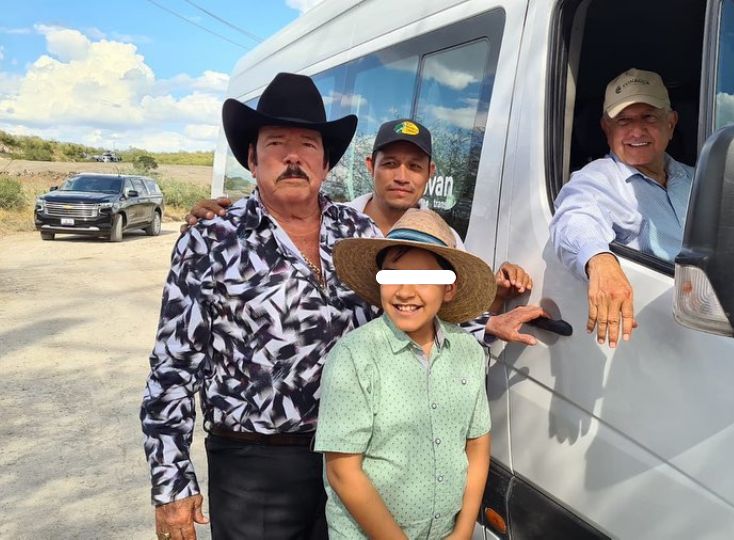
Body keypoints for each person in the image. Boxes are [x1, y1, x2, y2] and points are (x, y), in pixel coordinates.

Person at [140, 72, 379, 540]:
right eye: (276, 143)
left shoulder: (362, 236)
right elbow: (172, 367)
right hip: (253, 471)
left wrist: (488, 317)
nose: (293, 156)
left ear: (326, 162)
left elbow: (413, 312)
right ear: (252, 158)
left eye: (308, 144)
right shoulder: (210, 239)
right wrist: (171, 483)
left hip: (357, 458)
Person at [188, 118, 547, 345]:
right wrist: (231, 214)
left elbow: (438, 314)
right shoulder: (338, 230)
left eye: (414, 166)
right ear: (370, 166)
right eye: (389, 164)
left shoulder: (445, 240)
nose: (401, 176)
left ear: (430, 173)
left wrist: (492, 314)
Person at [316, 207, 493, 539]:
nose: (405, 292)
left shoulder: (467, 350)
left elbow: (478, 443)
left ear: (449, 288)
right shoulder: (355, 356)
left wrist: (464, 529)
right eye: (393, 275)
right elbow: (343, 471)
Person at [549, 68, 695, 349]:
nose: (637, 131)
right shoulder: (596, 178)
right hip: (656, 336)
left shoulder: (700, 177)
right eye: (624, 121)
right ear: (606, 128)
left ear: (671, 122)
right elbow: (575, 216)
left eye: (649, 117)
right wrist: (600, 260)